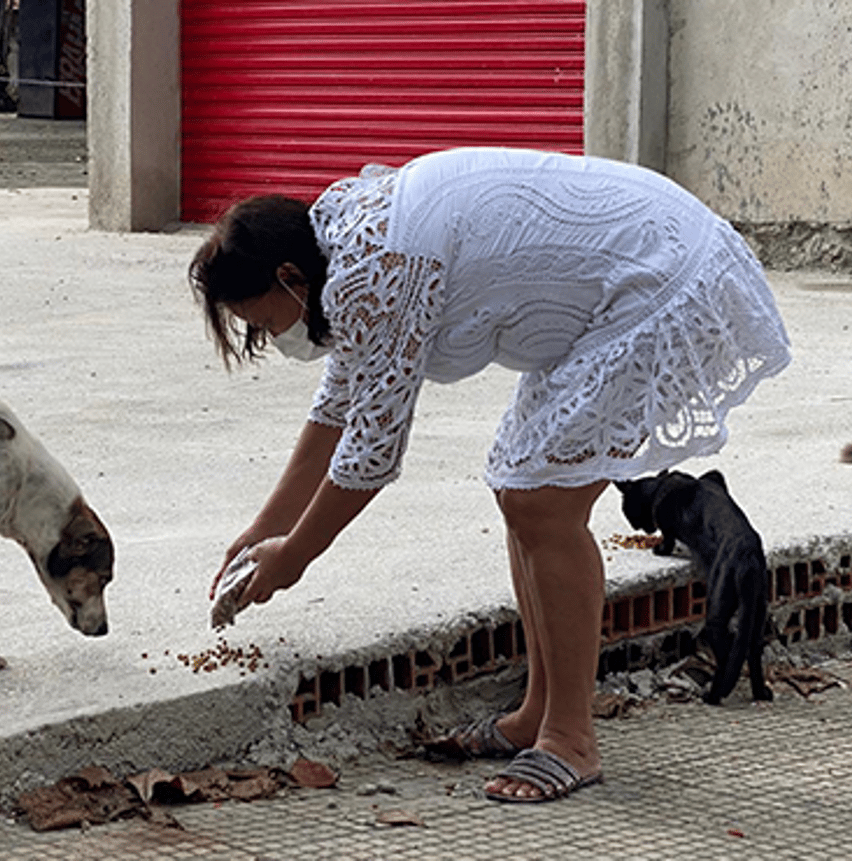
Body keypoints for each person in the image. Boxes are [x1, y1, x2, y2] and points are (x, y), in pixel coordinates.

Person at [188, 147, 791, 803]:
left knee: (542, 503)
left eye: (263, 321)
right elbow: (339, 405)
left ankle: (571, 739)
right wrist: (264, 530)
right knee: (521, 492)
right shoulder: (339, 248)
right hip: (628, 275)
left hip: (662, 277)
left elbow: (368, 454)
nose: (272, 338)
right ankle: (538, 712)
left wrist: (293, 558)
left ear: (288, 278)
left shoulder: (374, 268)